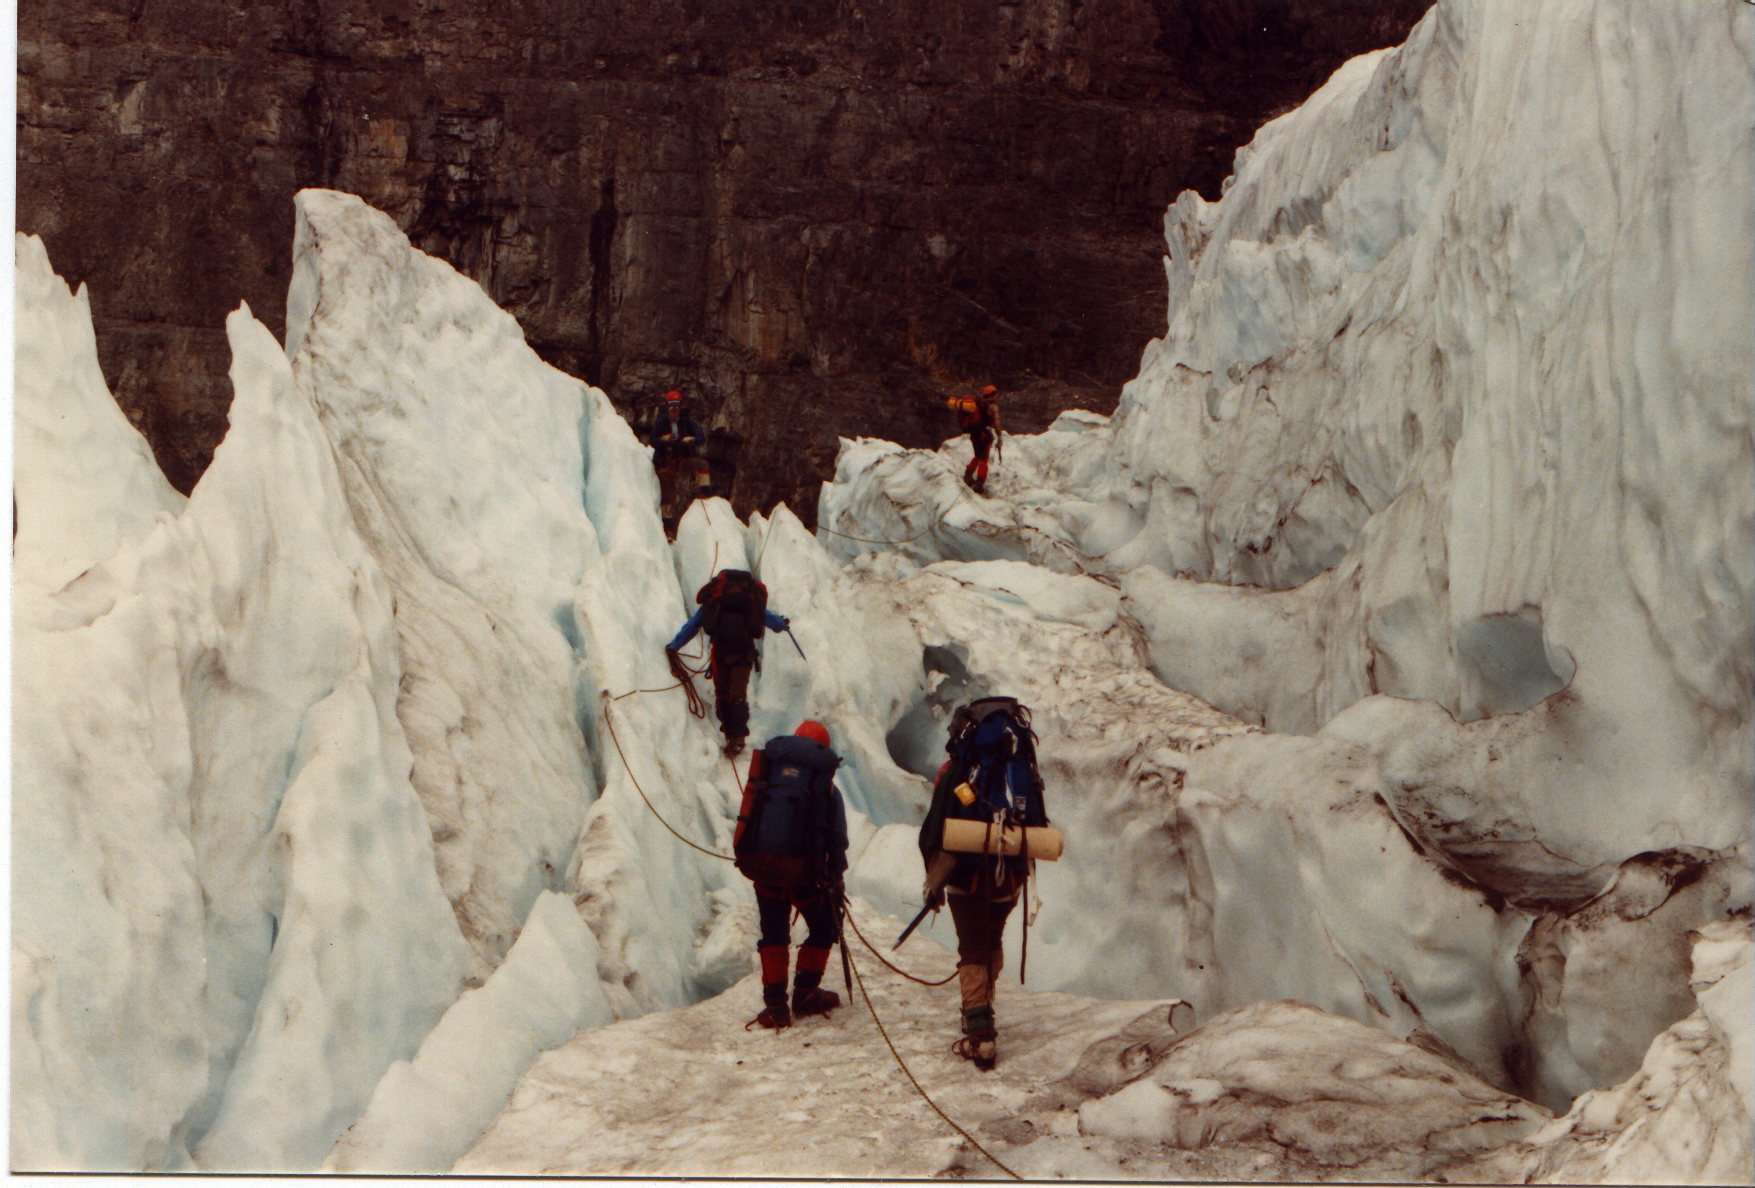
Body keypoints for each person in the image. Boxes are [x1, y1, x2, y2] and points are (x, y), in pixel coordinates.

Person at [917, 696, 1049, 1071]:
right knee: (990, 939)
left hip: (968, 876)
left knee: (971, 947)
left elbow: (937, 824)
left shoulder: (958, 771)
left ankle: (980, 1033)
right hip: (1009, 877)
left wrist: (934, 878)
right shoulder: (1021, 767)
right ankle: (984, 1009)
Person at [733, 719, 849, 1030]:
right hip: (805, 878)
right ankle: (806, 993)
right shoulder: (824, 789)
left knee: (773, 934)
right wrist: (836, 877)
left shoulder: (768, 778)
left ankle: (775, 1008)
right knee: (824, 928)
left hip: (766, 871)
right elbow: (836, 840)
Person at [666, 568, 790, 756]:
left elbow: (693, 625)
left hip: (720, 653)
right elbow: (767, 617)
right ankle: (737, 739)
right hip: (744, 653)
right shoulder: (749, 601)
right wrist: (782, 624)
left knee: (722, 694)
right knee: (737, 696)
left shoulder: (714, 601)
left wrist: (675, 645)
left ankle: (730, 735)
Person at [946, 384, 1002, 495]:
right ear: (991, 395)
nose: (998, 396)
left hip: (975, 433)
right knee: (983, 459)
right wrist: (999, 437)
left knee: (978, 456)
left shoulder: (978, 404)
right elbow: (997, 424)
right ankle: (979, 484)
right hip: (984, 435)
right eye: (996, 394)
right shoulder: (993, 407)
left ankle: (968, 476)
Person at [648, 390, 706, 465]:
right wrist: (662, 439)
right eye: (671, 405)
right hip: (664, 459)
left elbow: (701, 438)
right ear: (667, 407)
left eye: (676, 405)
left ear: (680, 406)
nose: (674, 409)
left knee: (703, 465)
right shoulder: (660, 422)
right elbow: (652, 441)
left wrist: (692, 439)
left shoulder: (688, 421)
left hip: (684, 458)